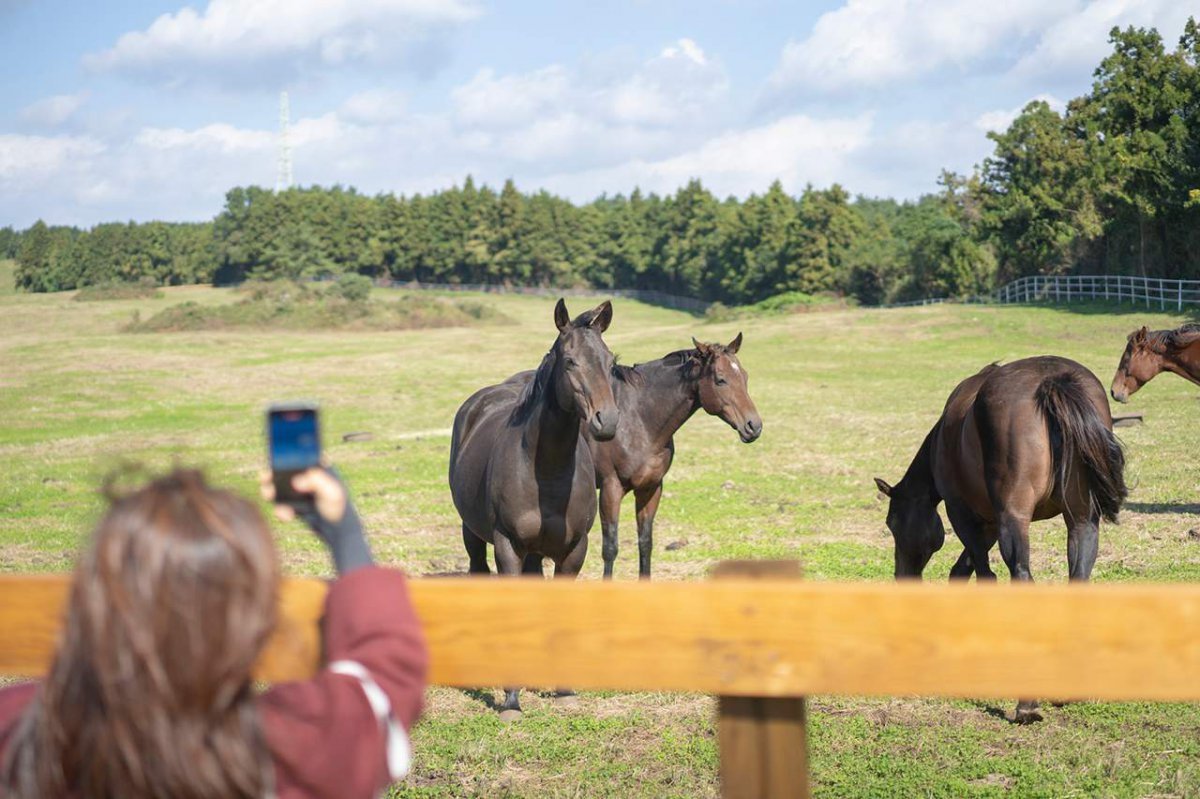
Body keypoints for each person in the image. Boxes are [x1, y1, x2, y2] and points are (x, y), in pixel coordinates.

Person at [0, 466, 427, 798]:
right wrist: (346, 534)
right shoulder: (298, 746)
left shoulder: (19, 731)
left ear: (93, 604)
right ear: (250, 624)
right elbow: (385, 672)